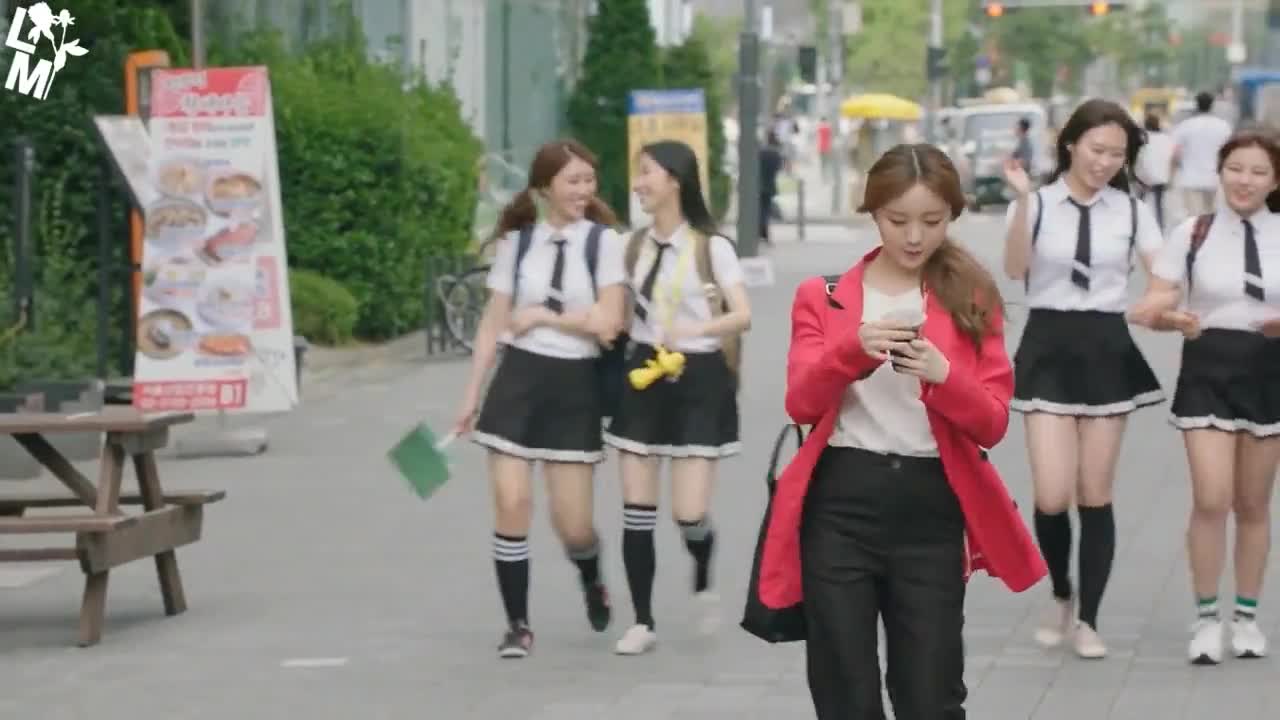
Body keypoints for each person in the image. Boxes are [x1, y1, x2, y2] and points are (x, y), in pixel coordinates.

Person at [756, 143, 1046, 719]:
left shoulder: (971, 294)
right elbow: (800, 403)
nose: (915, 237)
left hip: (930, 508)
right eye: (898, 220)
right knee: (845, 693)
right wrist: (851, 352)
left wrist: (945, 376)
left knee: (931, 695)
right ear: (873, 212)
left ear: (952, 216)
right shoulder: (824, 295)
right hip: (841, 504)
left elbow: (992, 424)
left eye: (932, 221)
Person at [1001, 98, 1165, 659]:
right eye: (1097, 150)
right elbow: (1015, 269)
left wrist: (1157, 301)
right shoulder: (1038, 203)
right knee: (1052, 494)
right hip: (1048, 345)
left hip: (1105, 347)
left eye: (1117, 154)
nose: (1105, 162)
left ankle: (1089, 620)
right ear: (1071, 143)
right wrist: (1024, 201)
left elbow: (1163, 272)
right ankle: (1060, 592)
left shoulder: (1133, 211)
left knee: (1095, 492)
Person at [451, 139, 627, 659]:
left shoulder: (604, 243)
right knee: (512, 502)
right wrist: (470, 395)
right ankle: (517, 625)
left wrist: (545, 317)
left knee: (573, 525)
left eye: (589, 180)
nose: (583, 190)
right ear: (545, 186)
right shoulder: (517, 245)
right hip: (517, 380)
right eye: (573, 181)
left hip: (574, 385)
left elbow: (609, 322)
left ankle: (590, 574)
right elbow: (493, 325)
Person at [1129, 130, 1280, 665]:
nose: (1245, 181)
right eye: (1236, 169)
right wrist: (1172, 318)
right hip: (1207, 370)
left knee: (1253, 504)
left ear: (1275, 180)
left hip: (1269, 372)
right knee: (1212, 497)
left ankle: (1246, 618)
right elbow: (1149, 306)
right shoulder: (1192, 233)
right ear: (1219, 172)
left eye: (1258, 172)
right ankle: (1207, 617)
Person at [603, 140, 752, 655]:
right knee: (636, 507)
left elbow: (743, 314)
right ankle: (641, 622)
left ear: (675, 179)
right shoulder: (629, 247)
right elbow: (616, 312)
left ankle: (702, 557)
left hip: (699, 377)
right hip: (644, 373)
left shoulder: (712, 248)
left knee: (688, 512)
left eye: (647, 173)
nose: (638, 184)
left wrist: (697, 328)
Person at [1172, 91, 1233, 220]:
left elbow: (1176, 152)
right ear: (1212, 105)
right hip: (1214, 178)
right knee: (1211, 216)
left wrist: (1171, 174)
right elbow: (1229, 153)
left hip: (1190, 179)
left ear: (1196, 104)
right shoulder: (1223, 127)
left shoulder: (1186, 126)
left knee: (1193, 219)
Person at [1135, 113, 1175, 229]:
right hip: (1162, 176)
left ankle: (1136, 224)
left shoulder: (1142, 138)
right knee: (1159, 203)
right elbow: (1171, 157)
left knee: (1140, 201)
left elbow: (1140, 158)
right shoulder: (1166, 138)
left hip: (1145, 176)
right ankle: (1160, 226)